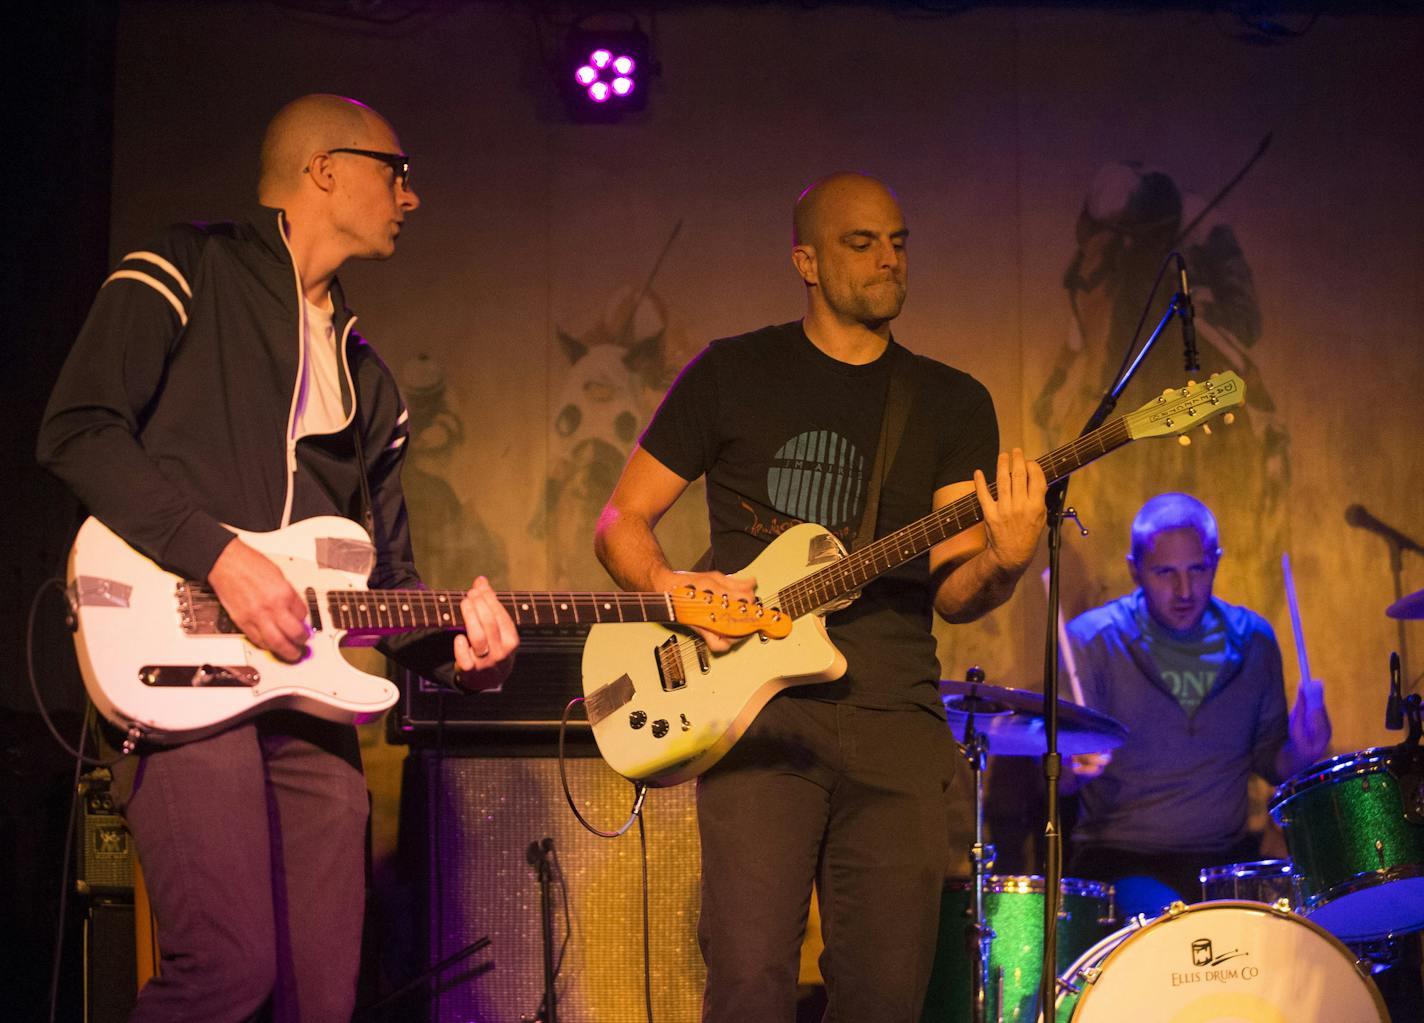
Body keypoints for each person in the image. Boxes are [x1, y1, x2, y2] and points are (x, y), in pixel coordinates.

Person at [36, 94, 518, 1021]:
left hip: (307, 698)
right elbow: (79, 429)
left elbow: (387, 590)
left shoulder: (371, 381)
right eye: (396, 173)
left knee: (321, 994)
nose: (411, 199)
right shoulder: (184, 266)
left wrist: (464, 656)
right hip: (176, 662)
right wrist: (215, 554)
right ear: (325, 169)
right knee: (225, 969)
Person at [593, 172, 1047, 1021]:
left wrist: (1009, 559)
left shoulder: (950, 399)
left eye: (899, 241)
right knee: (749, 986)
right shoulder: (732, 372)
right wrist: (667, 584)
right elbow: (622, 518)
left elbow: (955, 584)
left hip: (894, 721)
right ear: (805, 259)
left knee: (883, 998)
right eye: (861, 242)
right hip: (755, 720)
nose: (889, 258)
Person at [1062, 492, 1330, 915]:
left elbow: (1272, 762)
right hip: (1120, 859)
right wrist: (1070, 770)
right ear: (1135, 571)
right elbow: (1055, 782)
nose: (1184, 590)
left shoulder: (1255, 640)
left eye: (1198, 569)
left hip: (1225, 859)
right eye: (1165, 572)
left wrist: (1305, 751)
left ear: (1217, 562)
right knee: (1174, 924)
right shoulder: (1091, 642)